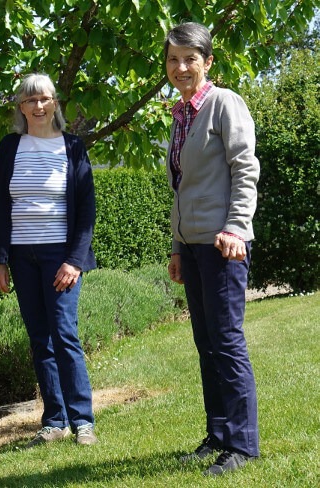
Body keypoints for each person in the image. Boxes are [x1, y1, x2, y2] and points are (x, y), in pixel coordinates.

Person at [164, 22, 260, 475]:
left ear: (208, 63)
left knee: (226, 342)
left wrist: (237, 229)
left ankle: (241, 444)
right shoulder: (181, 114)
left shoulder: (225, 104)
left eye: (190, 59)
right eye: (173, 59)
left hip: (224, 245)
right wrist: (177, 246)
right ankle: (217, 433)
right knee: (206, 343)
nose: (181, 67)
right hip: (194, 245)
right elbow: (182, 188)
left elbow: (245, 169)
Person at [0, 73, 98, 447]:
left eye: (45, 99)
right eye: (30, 100)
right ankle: (55, 420)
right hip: (22, 255)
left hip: (61, 256)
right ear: (21, 107)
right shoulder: (9, 147)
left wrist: (75, 260)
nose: (38, 106)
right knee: (39, 337)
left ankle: (83, 420)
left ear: (55, 104)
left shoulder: (72, 147)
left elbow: (86, 210)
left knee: (64, 334)